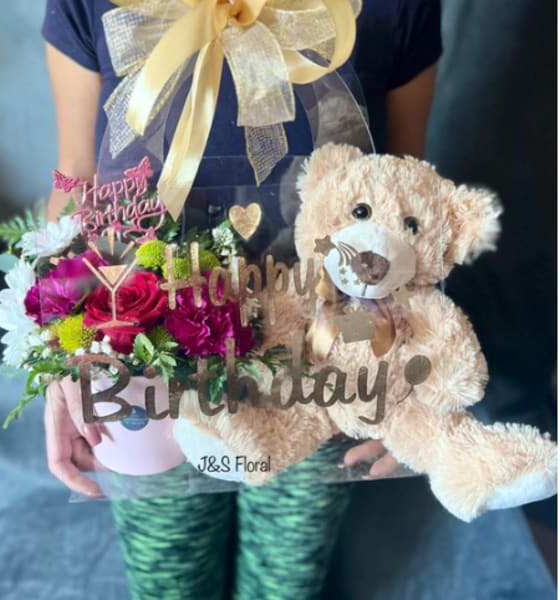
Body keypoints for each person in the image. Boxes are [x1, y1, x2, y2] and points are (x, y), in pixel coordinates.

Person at [42, 0, 442, 598]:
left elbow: (410, 199)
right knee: (169, 581)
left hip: (325, 373)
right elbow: (77, 179)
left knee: (285, 583)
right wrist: (59, 350)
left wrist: (411, 364)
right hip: (145, 371)